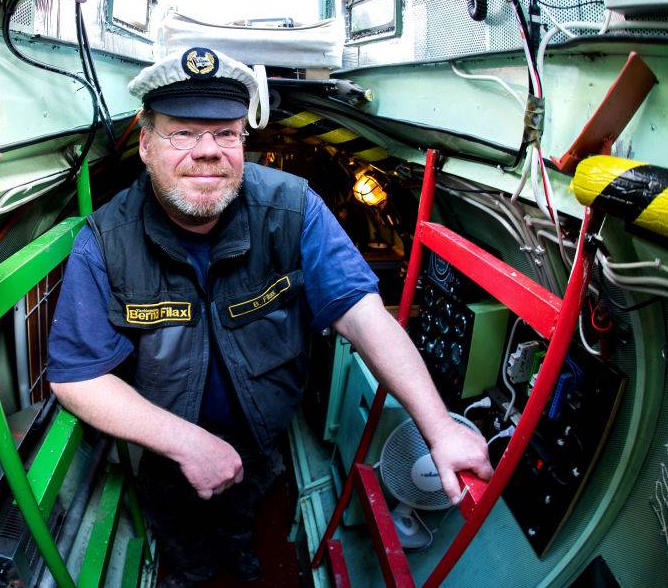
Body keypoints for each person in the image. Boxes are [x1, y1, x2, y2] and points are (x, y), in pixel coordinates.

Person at [46, 47, 492, 587]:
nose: (206, 152)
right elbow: (78, 376)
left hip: (261, 437)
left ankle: (239, 556)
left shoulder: (292, 208)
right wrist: (185, 443)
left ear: (244, 141)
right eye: (182, 133)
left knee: (244, 518)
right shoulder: (106, 241)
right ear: (144, 142)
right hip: (164, 449)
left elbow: (364, 315)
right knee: (184, 543)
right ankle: (192, 572)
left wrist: (440, 428)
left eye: (226, 134)